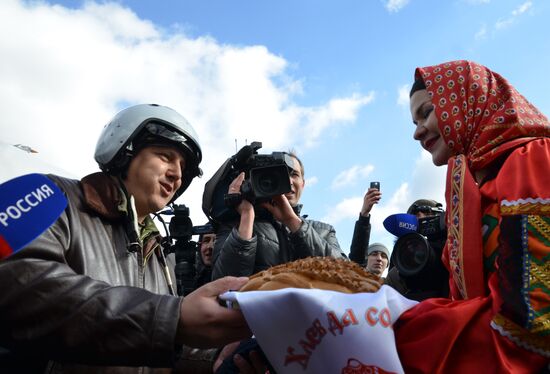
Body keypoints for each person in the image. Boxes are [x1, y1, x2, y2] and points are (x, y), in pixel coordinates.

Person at [0, 104, 251, 373]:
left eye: (183, 168)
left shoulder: (156, 250)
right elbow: (18, 283)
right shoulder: (50, 196)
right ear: (124, 151)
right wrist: (172, 319)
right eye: (165, 156)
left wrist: (215, 360)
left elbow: (158, 342)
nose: (177, 175)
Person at [394, 60, 549, 372]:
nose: (417, 133)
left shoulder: (532, 159)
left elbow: (532, 324)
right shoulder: (472, 190)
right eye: (414, 121)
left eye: (426, 112)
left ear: (465, 100)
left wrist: (393, 329)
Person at [211, 151, 346, 279]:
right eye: (282, 173)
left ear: (303, 184)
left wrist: (292, 221)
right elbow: (222, 285)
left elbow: (347, 273)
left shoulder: (324, 231)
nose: (289, 181)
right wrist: (247, 216)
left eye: (294, 175)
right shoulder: (236, 226)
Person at [384, 199, 449, 301]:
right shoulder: (399, 264)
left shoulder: (454, 247)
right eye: (416, 217)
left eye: (428, 214)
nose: (422, 218)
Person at [348, 187, 382, 268]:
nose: (379, 259)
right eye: (374, 254)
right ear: (366, 258)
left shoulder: (393, 280)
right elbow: (357, 258)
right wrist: (364, 214)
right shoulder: (357, 278)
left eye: (384, 256)